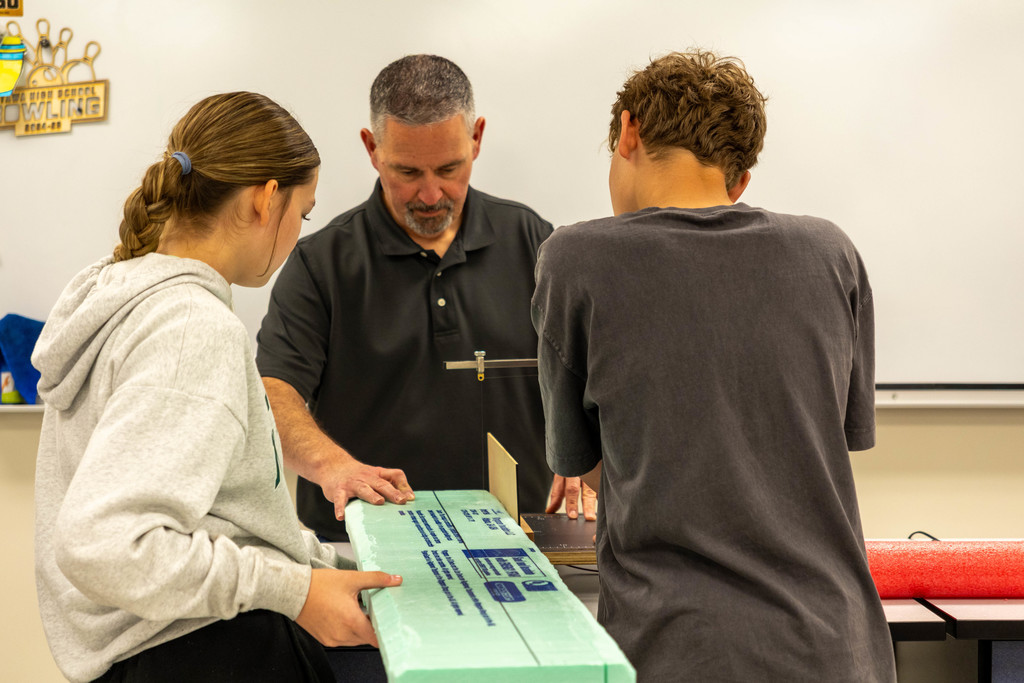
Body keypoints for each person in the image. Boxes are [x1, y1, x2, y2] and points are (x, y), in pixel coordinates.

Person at [531, 51, 896, 682]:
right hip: (836, 649)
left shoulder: (576, 260)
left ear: (628, 131)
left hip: (679, 649)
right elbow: (831, 442)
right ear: (740, 180)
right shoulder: (830, 251)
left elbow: (584, 462)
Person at [32, 91, 402, 683]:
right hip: (204, 651)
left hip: (152, 648)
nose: (296, 238)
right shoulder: (190, 327)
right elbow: (105, 544)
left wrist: (317, 568)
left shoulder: (121, 297)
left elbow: (218, 515)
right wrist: (296, 589)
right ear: (265, 199)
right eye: (302, 215)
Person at [256, 54, 594, 542]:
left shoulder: (535, 243)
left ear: (476, 139)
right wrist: (335, 466)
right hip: (362, 546)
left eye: (450, 168)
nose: (432, 195)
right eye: (408, 172)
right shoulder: (320, 263)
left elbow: (589, 374)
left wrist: (587, 458)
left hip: (518, 543)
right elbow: (273, 392)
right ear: (372, 149)